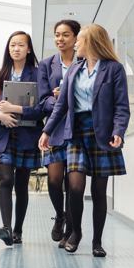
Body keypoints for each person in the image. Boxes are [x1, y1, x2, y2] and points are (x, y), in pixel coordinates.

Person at [39, 24, 130, 257]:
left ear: (91, 42)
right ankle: (75, 232)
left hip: (103, 137)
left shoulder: (113, 69)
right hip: (76, 135)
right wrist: (47, 131)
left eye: (79, 40)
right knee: (75, 187)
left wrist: (119, 130)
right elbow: (61, 106)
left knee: (99, 192)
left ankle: (97, 242)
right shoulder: (74, 70)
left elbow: (121, 106)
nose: (75, 44)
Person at [0, 31, 44, 246]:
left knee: (21, 185)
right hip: (4, 136)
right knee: (6, 180)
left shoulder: (38, 74)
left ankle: (18, 229)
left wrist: (17, 109)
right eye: (12, 45)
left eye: (20, 45)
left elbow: (43, 107)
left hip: (28, 135)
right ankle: (7, 228)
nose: (16, 49)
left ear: (29, 49)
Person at [38, 19, 80, 248]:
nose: (60, 39)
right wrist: (56, 97)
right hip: (54, 127)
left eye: (65, 35)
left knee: (72, 182)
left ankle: (71, 231)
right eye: (57, 34)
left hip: (76, 128)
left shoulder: (84, 61)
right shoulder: (46, 64)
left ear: (76, 38)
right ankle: (60, 215)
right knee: (54, 181)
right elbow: (42, 101)